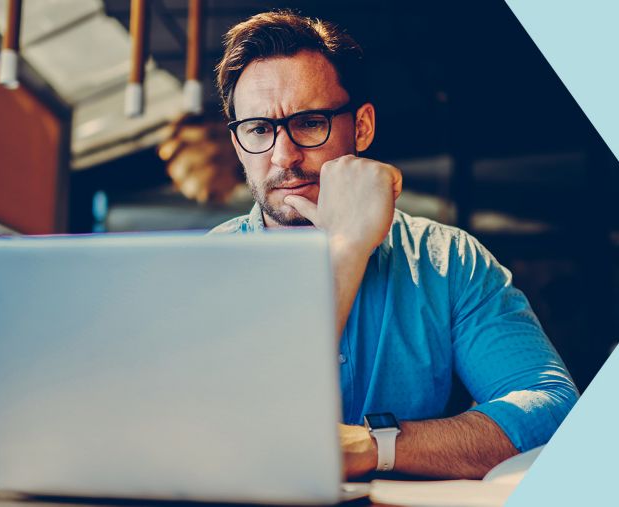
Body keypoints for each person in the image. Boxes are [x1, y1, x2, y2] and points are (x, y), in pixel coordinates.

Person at [208, 10, 578, 479]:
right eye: (259, 129)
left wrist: (375, 445)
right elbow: (225, 439)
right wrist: (345, 249)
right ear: (238, 143)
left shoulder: (450, 262)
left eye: (310, 122)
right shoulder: (201, 273)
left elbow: (553, 410)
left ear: (361, 127)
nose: (284, 156)